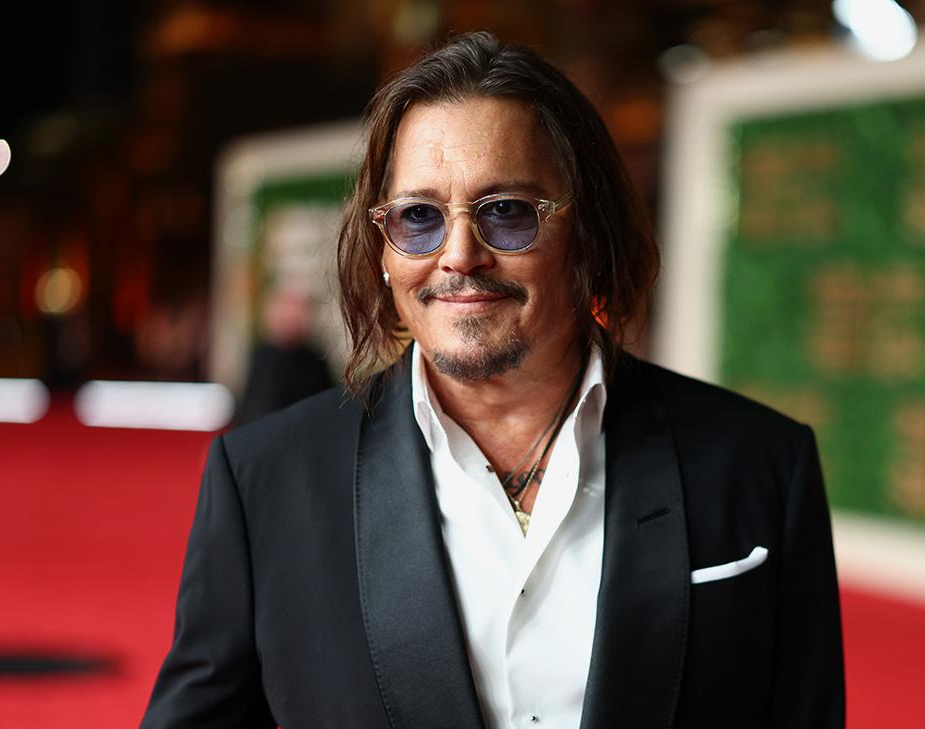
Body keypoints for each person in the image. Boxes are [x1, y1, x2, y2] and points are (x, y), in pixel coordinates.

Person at [141, 31, 844, 729]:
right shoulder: (264, 482)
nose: (459, 255)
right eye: (419, 217)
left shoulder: (762, 466)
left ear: (588, 233)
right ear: (382, 251)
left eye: (506, 211)